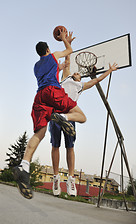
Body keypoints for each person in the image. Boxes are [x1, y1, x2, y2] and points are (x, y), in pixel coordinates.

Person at [13, 29, 87, 199]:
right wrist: (64, 40)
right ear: (47, 49)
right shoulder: (53, 56)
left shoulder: (36, 66)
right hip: (52, 92)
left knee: (39, 133)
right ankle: (64, 117)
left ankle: (24, 166)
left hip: (39, 98)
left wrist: (62, 65)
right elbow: (69, 52)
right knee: (82, 117)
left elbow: (59, 67)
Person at [50, 50, 118, 197]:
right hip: (56, 113)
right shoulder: (65, 78)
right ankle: (56, 178)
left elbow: (97, 80)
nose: (75, 73)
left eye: (78, 74)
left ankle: (70, 179)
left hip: (70, 116)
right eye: (74, 73)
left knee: (70, 147)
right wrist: (66, 41)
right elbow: (67, 58)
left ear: (81, 77)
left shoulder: (81, 86)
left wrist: (110, 70)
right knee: (55, 145)